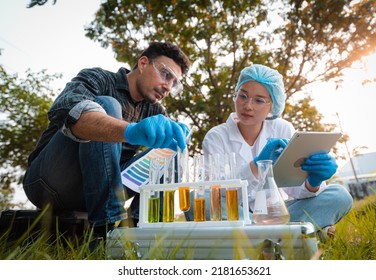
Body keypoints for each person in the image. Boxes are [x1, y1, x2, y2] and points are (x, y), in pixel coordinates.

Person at [23, 41, 191, 235]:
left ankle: (141, 230)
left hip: (100, 191)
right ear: (143, 63)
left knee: (174, 142)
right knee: (107, 105)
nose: (168, 87)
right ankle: (107, 230)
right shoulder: (98, 78)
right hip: (51, 184)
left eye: (174, 83)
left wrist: (173, 143)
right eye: (166, 74)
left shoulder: (154, 111)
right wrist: (130, 130)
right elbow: (64, 111)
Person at [201, 64, 353, 238]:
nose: (248, 106)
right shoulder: (216, 137)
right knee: (199, 201)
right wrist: (255, 167)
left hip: (277, 213)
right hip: (237, 214)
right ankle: (294, 235)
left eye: (259, 100)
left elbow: (296, 190)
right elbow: (215, 192)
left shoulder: (282, 129)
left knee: (339, 195)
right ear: (235, 95)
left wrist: (313, 182)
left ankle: (259, 239)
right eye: (242, 96)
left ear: (273, 105)